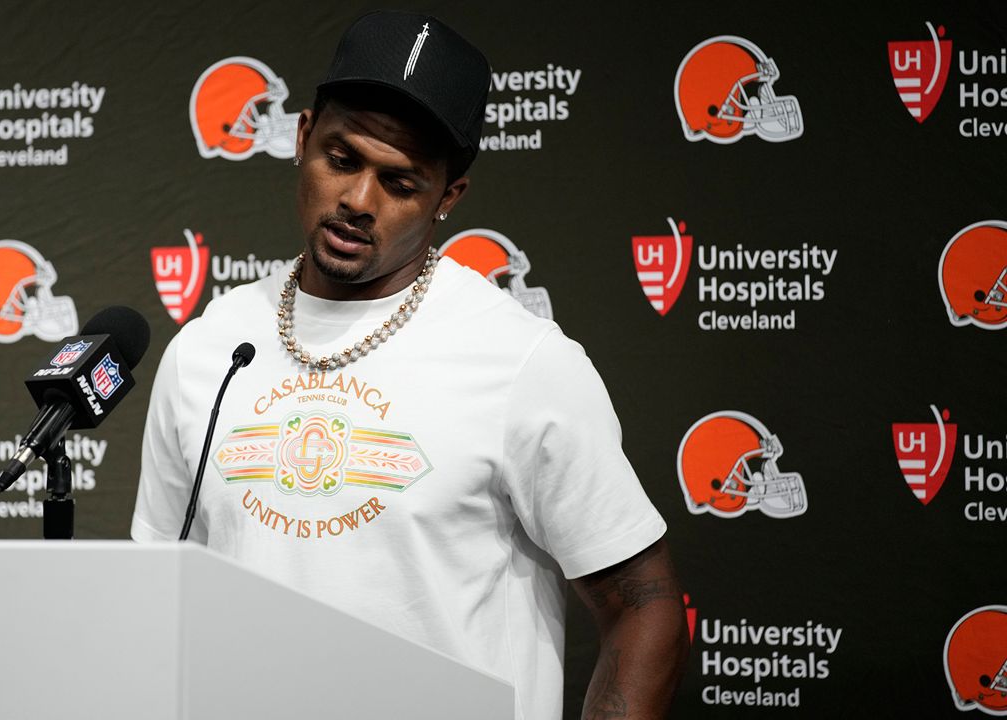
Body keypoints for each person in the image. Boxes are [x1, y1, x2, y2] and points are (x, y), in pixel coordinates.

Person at [132, 11, 688, 719]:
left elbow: (644, 606)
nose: (359, 201)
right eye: (341, 159)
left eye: (399, 183)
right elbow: (160, 593)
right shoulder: (209, 350)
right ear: (302, 138)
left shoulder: (522, 360)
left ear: (448, 197)